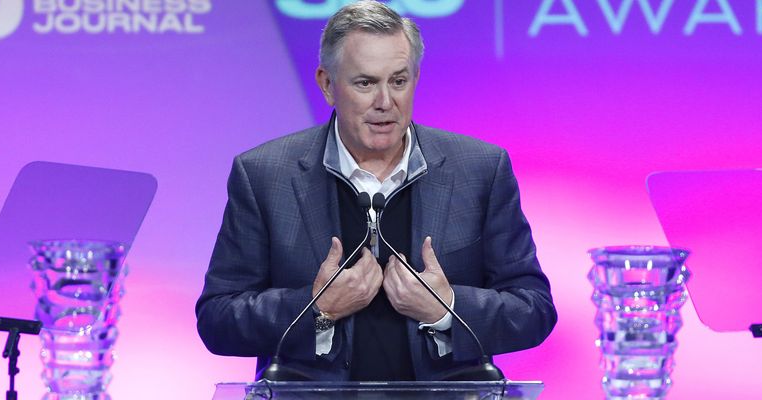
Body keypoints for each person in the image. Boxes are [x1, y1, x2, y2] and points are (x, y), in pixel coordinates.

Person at [195, 1, 556, 381]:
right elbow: (218, 319)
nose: (385, 102)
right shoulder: (266, 175)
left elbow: (534, 309)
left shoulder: (480, 169)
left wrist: (445, 308)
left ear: (415, 79)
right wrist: (317, 309)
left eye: (398, 81)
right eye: (365, 83)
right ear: (327, 85)